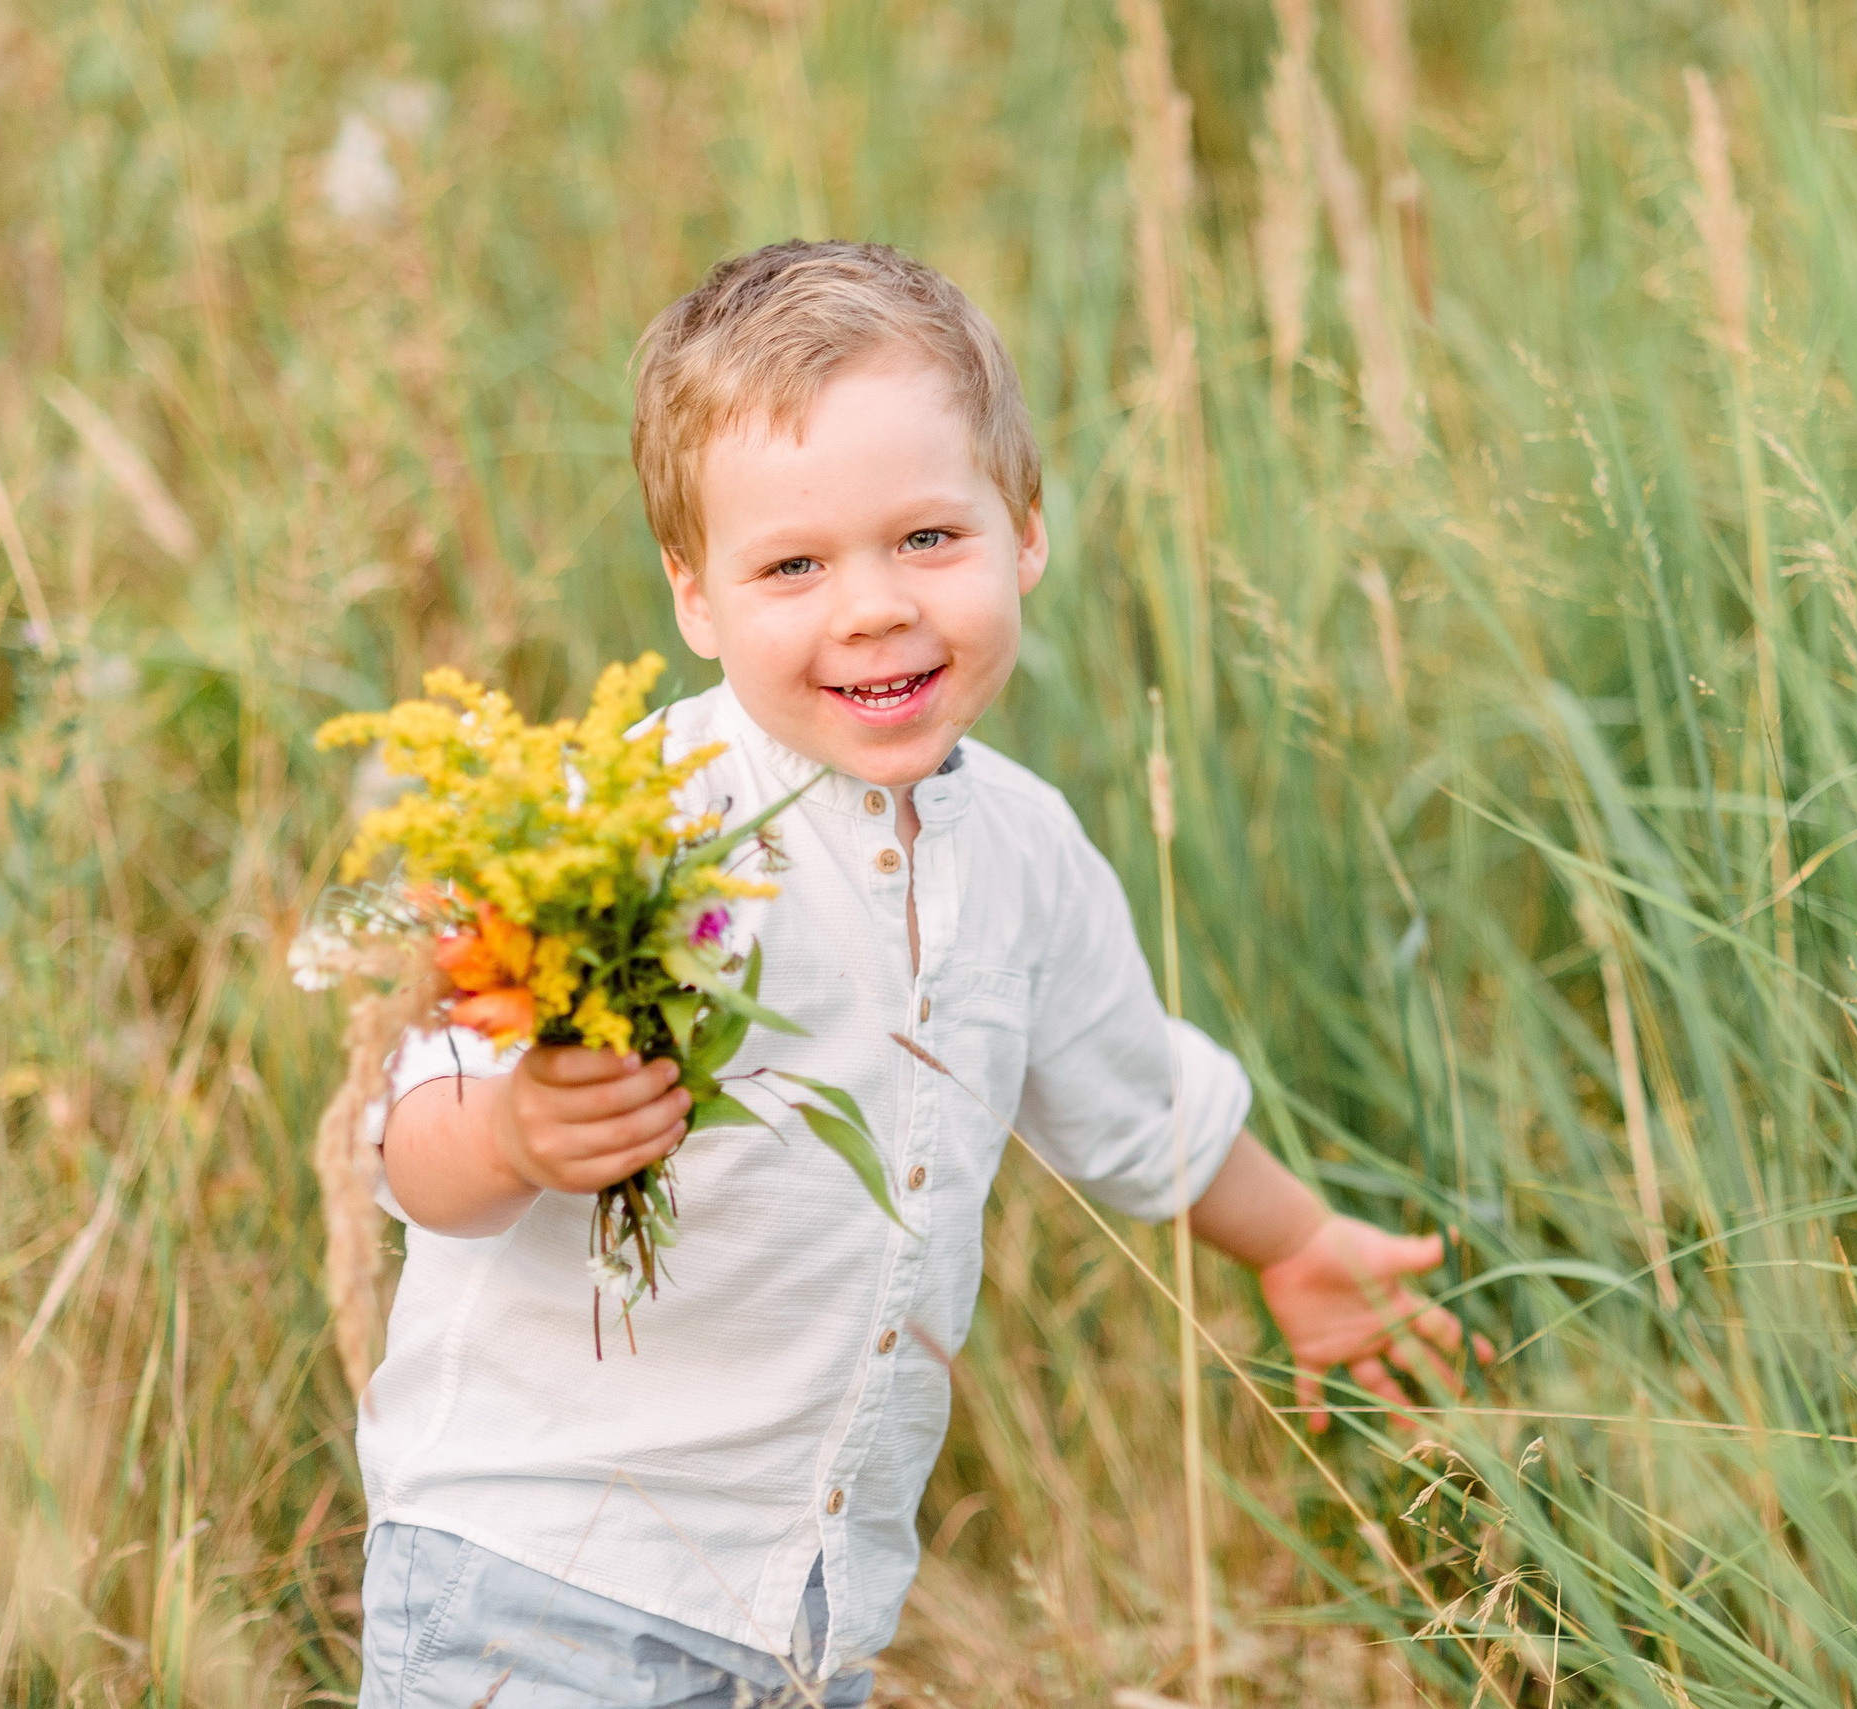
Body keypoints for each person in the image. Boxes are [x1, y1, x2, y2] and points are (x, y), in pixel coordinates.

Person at [355, 240, 1474, 1709]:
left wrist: (1292, 1242)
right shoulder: (620, 829)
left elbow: (1139, 1106)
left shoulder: (1024, 849)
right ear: (697, 598)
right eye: (796, 565)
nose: (874, 605)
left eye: (928, 539)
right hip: (541, 1579)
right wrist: (509, 1134)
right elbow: (411, 1136)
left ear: (1026, 532)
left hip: (809, 1612)